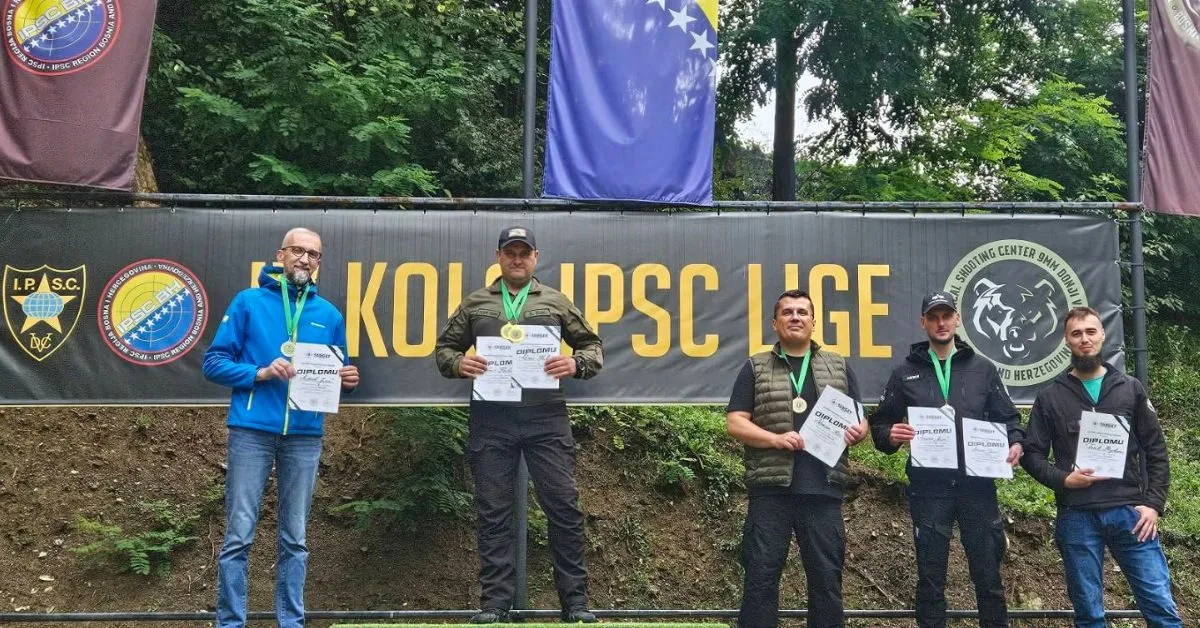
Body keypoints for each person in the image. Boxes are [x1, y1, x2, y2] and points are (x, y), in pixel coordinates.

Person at [435, 226, 603, 624]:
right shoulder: (476, 302)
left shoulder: (556, 301)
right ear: (498, 257)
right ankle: (495, 603)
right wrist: (459, 363)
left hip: (546, 415)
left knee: (564, 507)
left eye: (524, 253)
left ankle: (575, 603)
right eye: (510, 252)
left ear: (535, 257)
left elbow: (592, 346)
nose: (517, 259)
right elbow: (444, 349)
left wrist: (575, 363)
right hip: (492, 415)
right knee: (494, 510)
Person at [203, 227, 359, 628]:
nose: (305, 259)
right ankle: (229, 623)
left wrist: (347, 378)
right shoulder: (248, 302)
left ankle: (291, 622)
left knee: (296, 539)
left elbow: (337, 371)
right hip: (252, 431)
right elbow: (213, 364)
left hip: (305, 436)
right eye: (297, 251)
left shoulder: (329, 315)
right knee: (239, 535)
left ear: (319, 262)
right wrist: (260, 372)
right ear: (280, 255)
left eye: (313, 254)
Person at [867, 291, 1023, 628]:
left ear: (957, 319)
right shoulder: (905, 372)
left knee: (988, 575)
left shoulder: (983, 368)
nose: (941, 323)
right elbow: (879, 424)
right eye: (934, 317)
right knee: (930, 578)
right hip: (929, 489)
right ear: (923, 322)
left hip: (977, 487)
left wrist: (1015, 443)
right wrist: (890, 435)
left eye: (947, 316)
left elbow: (1009, 418)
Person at [1021, 306, 1181, 627]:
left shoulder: (1130, 388)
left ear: (1102, 335)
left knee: (1161, 609)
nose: (1085, 339)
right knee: (1089, 614)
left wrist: (1153, 504)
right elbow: (1031, 455)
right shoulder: (1051, 397)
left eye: (1090, 332)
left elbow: (1155, 450)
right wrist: (1064, 480)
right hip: (1077, 515)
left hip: (1131, 514)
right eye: (1076, 333)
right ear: (1066, 340)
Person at [725, 289, 868, 628]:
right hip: (771, 491)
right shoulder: (756, 366)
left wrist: (859, 431)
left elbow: (860, 419)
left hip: (823, 491)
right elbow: (735, 422)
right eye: (787, 312)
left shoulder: (838, 365)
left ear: (813, 322)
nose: (795, 317)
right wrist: (774, 439)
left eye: (802, 312)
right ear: (774, 323)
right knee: (760, 579)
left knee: (827, 581)